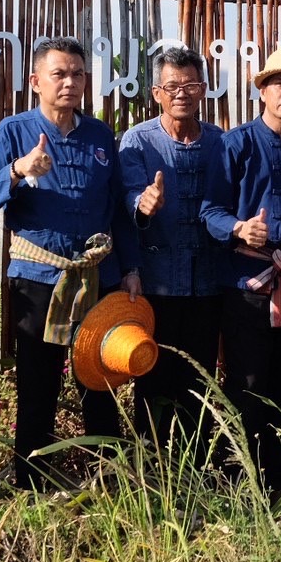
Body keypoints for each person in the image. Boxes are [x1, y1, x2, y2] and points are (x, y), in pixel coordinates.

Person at [0, 37, 140, 490]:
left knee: (100, 377)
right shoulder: (12, 132)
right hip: (37, 278)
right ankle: (32, 481)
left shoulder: (101, 136)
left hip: (95, 275)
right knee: (37, 382)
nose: (69, 83)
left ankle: (107, 480)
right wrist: (17, 171)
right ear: (36, 81)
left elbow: (116, 210)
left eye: (78, 74)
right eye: (59, 74)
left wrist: (129, 268)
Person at [201, 45, 281, 497]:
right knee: (246, 380)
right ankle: (237, 479)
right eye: (280, 84)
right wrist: (238, 227)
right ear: (262, 91)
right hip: (247, 283)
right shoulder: (235, 144)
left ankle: (279, 478)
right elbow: (209, 209)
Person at [118, 45, 225, 444]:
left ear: (203, 90)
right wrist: (142, 204)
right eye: (172, 86)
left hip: (208, 283)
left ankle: (197, 462)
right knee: (153, 374)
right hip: (156, 282)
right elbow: (127, 199)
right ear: (157, 93)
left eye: (191, 85)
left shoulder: (219, 142)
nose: (182, 93)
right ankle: (153, 462)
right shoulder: (137, 141)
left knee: (200, 377)